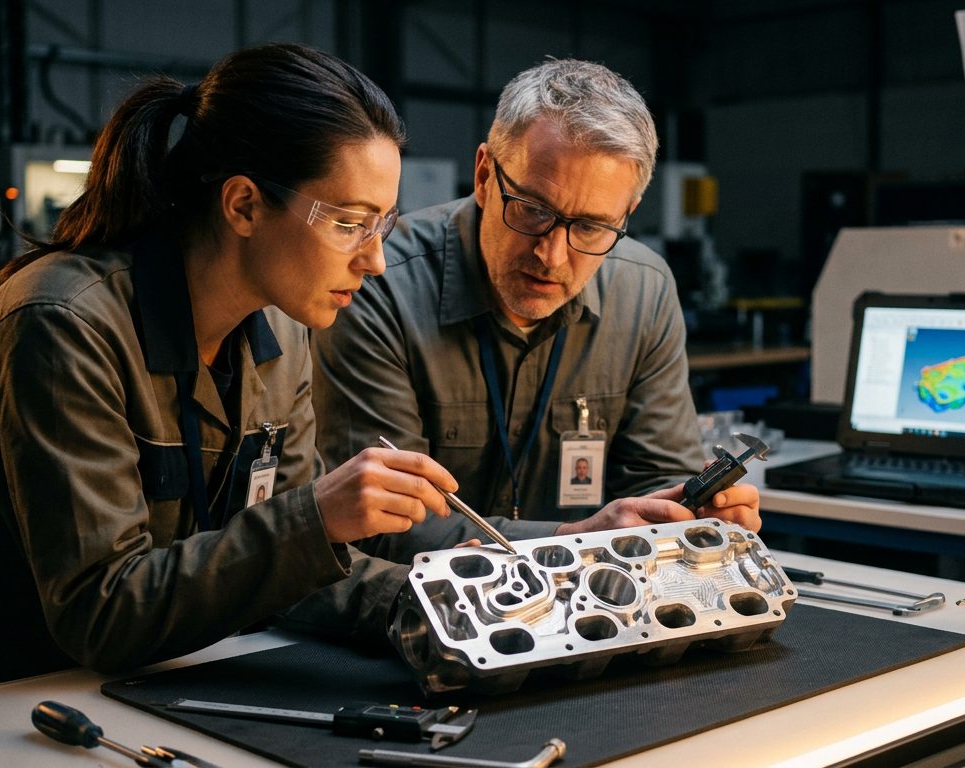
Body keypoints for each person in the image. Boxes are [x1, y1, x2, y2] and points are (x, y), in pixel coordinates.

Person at [0, 43, 461, 717]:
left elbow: (281, 568)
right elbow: (102, 609)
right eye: (349, 223)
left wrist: (443, 603)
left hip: (78, 686)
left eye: (382, 223)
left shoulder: (283, 336)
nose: (377, 260)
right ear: (242, 205)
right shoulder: (62, 324)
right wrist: (316, 518)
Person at [309, 58, 761, 555]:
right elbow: (377, 521)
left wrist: (689, 512)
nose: (552, 255)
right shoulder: (377, 284)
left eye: (591, 227)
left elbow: (658, 483)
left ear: (626, 214)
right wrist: (569, 539)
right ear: (484, 175)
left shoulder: (644, 290)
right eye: (532, 210)